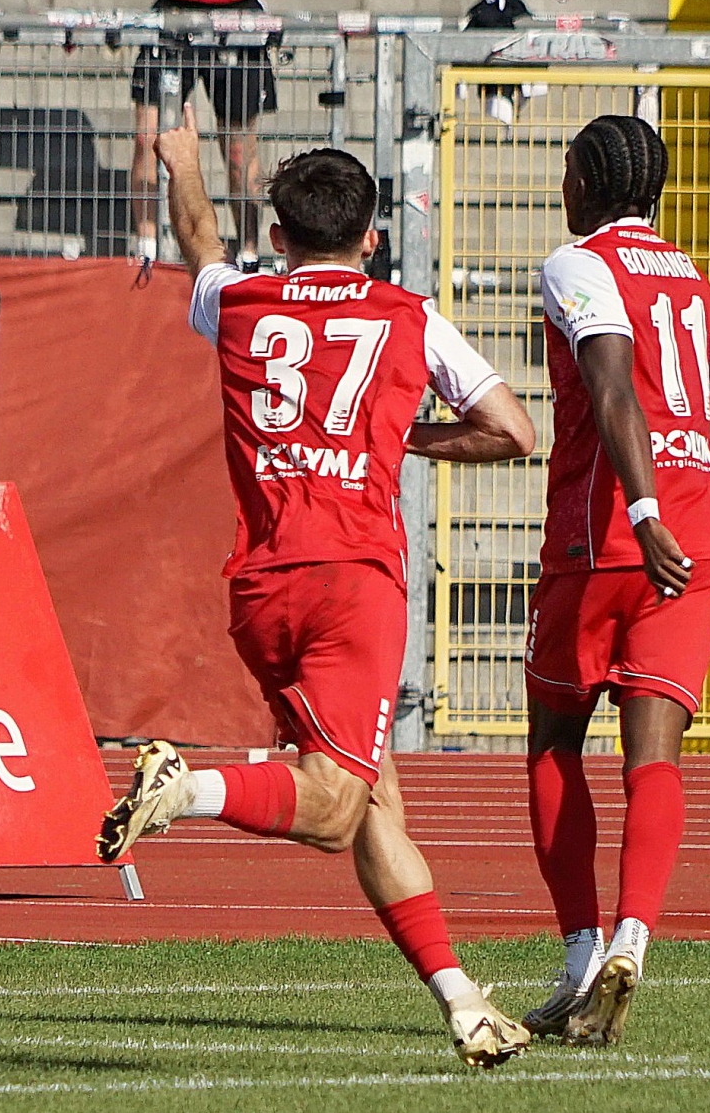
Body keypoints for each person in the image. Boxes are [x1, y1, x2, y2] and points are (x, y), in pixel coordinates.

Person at [97, 105, 537, 1068]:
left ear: (279, 235)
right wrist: (402, 437)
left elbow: (199, 239)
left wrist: (182, 161)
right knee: (336, 807)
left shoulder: (240, 302)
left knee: (374, 798)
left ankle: (463, 1001)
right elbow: (514, 429)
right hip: (354, 583)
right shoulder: (409, 317)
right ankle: (189, 785)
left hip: (261, 589)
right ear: (372, 238)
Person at [519, 115, 710, 1046]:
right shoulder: (697, 282)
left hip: (605, 537)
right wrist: (688, 522)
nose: (562, 186)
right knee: (655, 757)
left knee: (555, 742)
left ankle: (580, 956)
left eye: (569, 170)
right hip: (694, 536)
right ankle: (634, 938)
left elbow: (612, 389)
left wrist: (640, 513)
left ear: (591, 182)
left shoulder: (578, 264)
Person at [90, 0, 331, 269]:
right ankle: (145, 245)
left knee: (239, 149)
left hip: (237, 19)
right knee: (148, 136)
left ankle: (250, 248)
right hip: (173, 16)